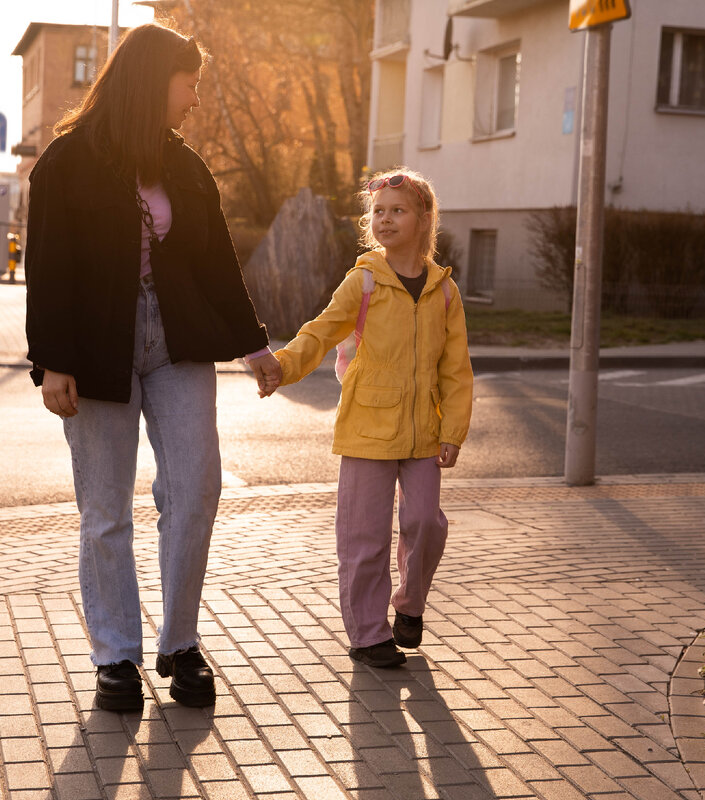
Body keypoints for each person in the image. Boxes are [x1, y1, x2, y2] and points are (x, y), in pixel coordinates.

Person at [24, 22, 281, 711]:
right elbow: (46, 270)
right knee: (105, 510)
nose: (195, 99)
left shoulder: (185, 168)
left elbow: (218, 265)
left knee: (196, 489)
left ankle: (180, 643)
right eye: (188, 83)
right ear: (151, 81)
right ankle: (115, 656)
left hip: (177, 345)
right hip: (95, 350)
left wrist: (255, 344)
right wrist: (52, 362)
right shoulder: (68, 162)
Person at [267, 169, 473, 668]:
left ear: (424, 220)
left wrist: (453, 431)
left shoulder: (444, 292)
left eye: (397, 210)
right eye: (378, 212)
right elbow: (320, 331)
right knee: (363, 538)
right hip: (364, 429)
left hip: (424, 431)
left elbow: (457, 368)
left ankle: (409, 603)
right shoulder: (363, 282)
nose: (385, 219)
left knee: (426, 523)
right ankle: (368, 635)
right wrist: (282, 366)